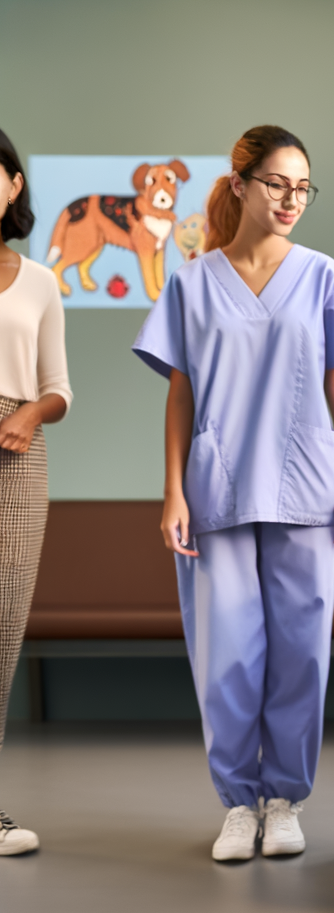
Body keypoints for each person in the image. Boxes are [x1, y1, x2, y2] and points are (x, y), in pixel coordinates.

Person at [132, 126, 334, 861]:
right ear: (239, 184)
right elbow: (180, 392)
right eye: (277, 183)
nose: (291, 199)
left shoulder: (324, 276)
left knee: (300, 651)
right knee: (227, 653)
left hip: (306, 482)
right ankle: (239, 804)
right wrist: (172, 491)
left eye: (303, 187)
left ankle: (285, 799)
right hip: (218, 487)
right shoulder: (192, 280)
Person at [0, 129, 73, 856]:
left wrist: (25, 413)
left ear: (13, 186)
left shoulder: (40, 280)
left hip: (17, 456)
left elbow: (58, 390)